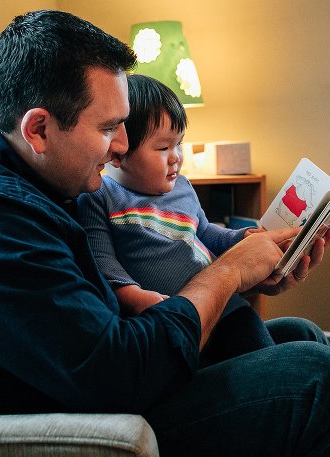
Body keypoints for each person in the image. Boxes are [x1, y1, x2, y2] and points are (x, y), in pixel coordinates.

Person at [0, 9, 330, 457]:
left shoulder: (28, 175)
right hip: (76, 430)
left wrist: (252, 269)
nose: (121, 147)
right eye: (109, 128)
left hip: (99, 380)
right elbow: (118, 377)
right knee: (316, 377)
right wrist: (228, 273)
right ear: (38, 129)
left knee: (303, 338)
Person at [77, 74, 274, 366]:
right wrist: (134, 297)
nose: (176, 157)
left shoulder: (182, 186)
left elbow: (206, 233)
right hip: (173, 319)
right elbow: (102, 261)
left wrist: (243, 239)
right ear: (118, 153)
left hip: (226, 309)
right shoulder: (99, 196)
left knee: (269, 358)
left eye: (179, 144)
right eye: (162, 148)